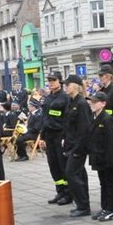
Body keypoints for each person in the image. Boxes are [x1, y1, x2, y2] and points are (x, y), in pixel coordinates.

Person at [62, 75, 92, 217]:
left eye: (68, 85)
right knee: (79, 174)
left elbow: (84, 128)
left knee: (71, 173)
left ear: (75, 86)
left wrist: (78, 149)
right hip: (71, 144)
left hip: (78, 147)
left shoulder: (81, 103)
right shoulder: (71, 102)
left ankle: (83, 205)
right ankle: (82, 205)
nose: (66, 87)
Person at [87, 91, 113, 221]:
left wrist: (111, 161)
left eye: (95, 102)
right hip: (99, 157)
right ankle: (105, 207)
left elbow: (111, 142)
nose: (92, 104)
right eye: (91, 101)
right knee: (103, 184)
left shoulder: (107, 119)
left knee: (110, 184)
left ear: (103, 103)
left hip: (107, 159)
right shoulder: (95, 117)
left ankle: (111, 210)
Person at [41, 72, 71, 205]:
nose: (51, 82)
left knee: (62, 164)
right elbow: (44, 118)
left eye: (54, 80)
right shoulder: (48, 98)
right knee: (53, 165)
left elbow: (67, 119)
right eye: (49, 80)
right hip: (49, 135)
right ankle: (60, 191)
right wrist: (42, 136)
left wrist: (65, 136)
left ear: (60, 81)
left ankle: (68, 193)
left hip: (60, 134)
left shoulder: (65, 97)